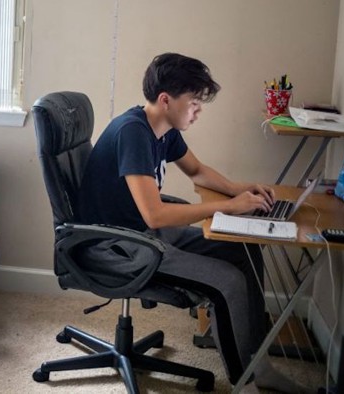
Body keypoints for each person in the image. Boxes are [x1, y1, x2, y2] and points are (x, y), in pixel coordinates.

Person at [75, 52, 308, 392]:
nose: (199, 110)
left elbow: (196, 170)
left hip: (143, 233)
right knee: (226, 281)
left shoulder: (163, 129)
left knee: (243, 249)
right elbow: (154, 213)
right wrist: (227, 207)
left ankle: (257, 361)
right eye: (194, 102)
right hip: (117, 245)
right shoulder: (133, 133)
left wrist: (241, 190)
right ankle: (246, 382)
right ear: (166, 99)